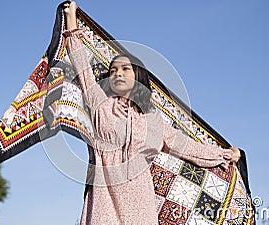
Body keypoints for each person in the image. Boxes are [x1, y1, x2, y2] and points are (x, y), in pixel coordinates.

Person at [63, 2, 241, 224]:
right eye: (113, 71)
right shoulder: (100, 104)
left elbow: (187, 148)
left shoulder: (152, 119)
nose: (118, 73)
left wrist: (224, 155)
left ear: (137, 75)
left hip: (141, 202)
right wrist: (71, 18)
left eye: (125, 69)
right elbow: (82, 68)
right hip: (103, 198)